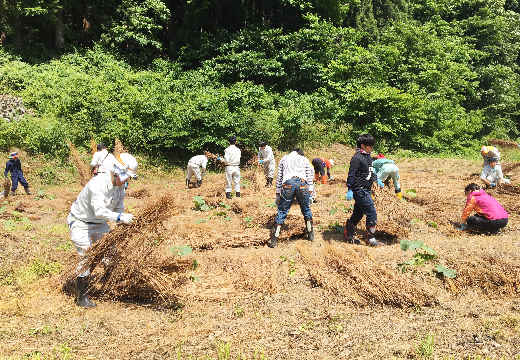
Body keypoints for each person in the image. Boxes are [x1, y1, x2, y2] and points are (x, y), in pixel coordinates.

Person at [67, 153, 138, 308]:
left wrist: (122, 225)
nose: (127, 180)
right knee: (87, 256)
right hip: (81, 223)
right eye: (126, 177)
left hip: (99, 224)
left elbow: (118, 206)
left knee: (110, 252)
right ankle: (82, 298)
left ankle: (110, 284)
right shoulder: (97, 184)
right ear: (118, 172)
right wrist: (120, 217)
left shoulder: (120, 187)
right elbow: (100, 211)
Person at [344, 134, 385, 247]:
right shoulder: (357, 158)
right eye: (370, 146)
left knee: (358, 213)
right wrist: (350, 189)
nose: (372, 147)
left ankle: (348, 234)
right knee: (371, 212)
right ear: (363, 145)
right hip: (359, 190)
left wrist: (377, 180)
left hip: (366, 190)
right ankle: (371, 239)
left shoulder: (368, 157)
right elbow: (351, 174)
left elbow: (371, 172)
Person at [269, 148, 314, 248]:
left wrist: (278, 193)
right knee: (306, 209)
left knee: (282, 210)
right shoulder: (304, 159)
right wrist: (310, 193)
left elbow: (279, 176)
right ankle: (311, 235)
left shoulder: (284, 159)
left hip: (288, 183)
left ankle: (274, 240)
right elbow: (309, 175)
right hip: (302, 183)